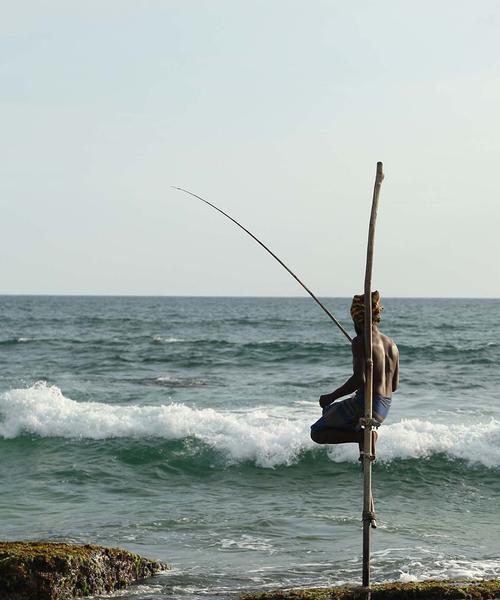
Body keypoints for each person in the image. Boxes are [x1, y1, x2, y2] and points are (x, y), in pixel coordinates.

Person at [310, 291, 399, 455]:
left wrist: (331, 396)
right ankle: (365, 444)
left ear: (356, 319)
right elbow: (394, 386)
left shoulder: (361, 341)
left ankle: (361, 437)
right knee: (332, 411)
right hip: (384, 408)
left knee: (317, 431)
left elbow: (359, 379)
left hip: (366, 405)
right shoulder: (391, 344)